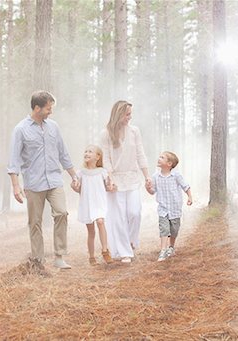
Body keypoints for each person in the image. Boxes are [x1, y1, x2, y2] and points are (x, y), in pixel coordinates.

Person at [7, 90, 79, 274]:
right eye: (48, 108)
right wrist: (15, 186)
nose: (51, 112)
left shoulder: (53, 127)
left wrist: (73, 175)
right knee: (35, 222)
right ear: (37, 108)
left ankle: (59, 256)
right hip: (34, 183)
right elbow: (14, 161)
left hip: (54, 180)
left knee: (62, 212)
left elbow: (63, 153)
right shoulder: (21, 129)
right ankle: (38, 261)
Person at [100, 100, 151, 263]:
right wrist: (109, 179)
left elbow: (140, 154)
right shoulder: (106, 133)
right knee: (118, 217)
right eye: (127, 114)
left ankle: (130, 241)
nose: (130, 117)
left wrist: (147, 176)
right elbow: (106, 159)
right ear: (119, 114)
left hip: (133, 178)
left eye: (130, 113)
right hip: (115, 180)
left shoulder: (135, 131)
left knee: (134, 213)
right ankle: (124, 252)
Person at [70, 145, 115, 266]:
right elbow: (75, 187)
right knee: (91, 231)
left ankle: (105, 251)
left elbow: (108, 187)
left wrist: (111, 186)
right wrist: (74, 185)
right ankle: (91, 256)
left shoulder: (102, 172)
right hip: (87, 204)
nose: (87, 153)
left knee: (100, 221)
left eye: (90, 151)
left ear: (98, 156)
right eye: (85, 151)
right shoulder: (81, 173)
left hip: (99, 203)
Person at [145, 151, 193, 262]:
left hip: (175, 209)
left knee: (174, 230)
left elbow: (185, 186)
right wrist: (147, 187)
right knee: (164, 230)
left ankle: (171, 246)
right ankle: (163, 250)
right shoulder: (155, 177)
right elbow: (152, 191)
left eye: (162, 157)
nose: (159, 158)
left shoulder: (176, 176)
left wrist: (189, 197)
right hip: (163, 209)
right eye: (159, 156)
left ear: (169, 163)